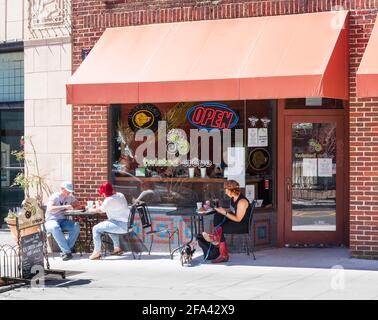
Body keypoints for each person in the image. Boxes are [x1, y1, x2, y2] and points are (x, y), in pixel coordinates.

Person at [197, 180, 251, 263]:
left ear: (232, 190)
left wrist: (225, 212)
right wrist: (222, 210)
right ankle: (215, 238)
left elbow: (238, 219)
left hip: (241, 225)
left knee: (220, 227)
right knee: (217, 216)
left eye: (226, 190)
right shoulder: (234, 198)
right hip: (235, 222)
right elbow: (233, 211)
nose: (225, 192)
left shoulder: (242, 202)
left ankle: (221, 250)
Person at [87, 182, 130, 260]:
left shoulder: (108, 200)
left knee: (95, 228)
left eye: (103, 193)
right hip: (126, 224)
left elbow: (100, 210)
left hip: (120, 226)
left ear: (105, 192)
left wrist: (90, 210)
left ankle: (96, 253)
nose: (102, 195)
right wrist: (103, 203)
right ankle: (117, 249)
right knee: (108, 225)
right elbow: (112, 205)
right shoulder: (120, 195)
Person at [44, 182, 81, 261]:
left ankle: (66, 251)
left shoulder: (70, 197)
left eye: (70, 191)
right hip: (51, 220)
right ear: (62, 189)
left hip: (63, 220)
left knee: (76, 225)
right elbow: (50, 208)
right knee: (55, 227)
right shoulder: (54, 197)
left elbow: (78, 205)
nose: (69, 192)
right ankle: (67, 251)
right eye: (68, 191)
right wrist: (64, 207)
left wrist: (72, 208)